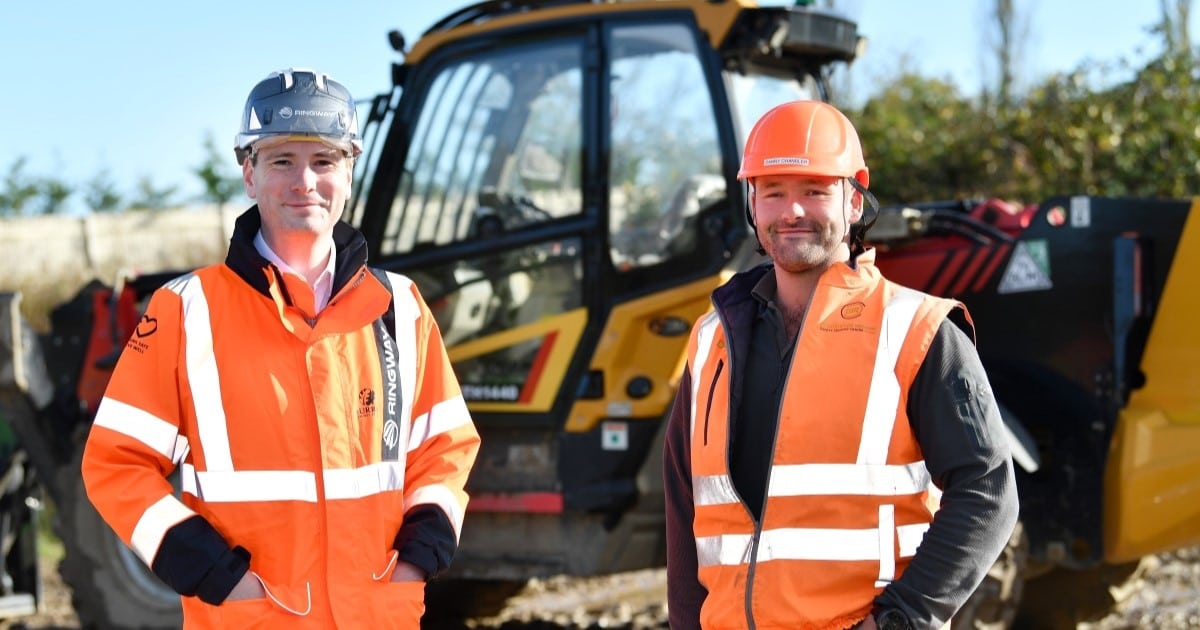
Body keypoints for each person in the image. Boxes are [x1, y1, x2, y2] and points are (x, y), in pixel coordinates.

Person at [81, 68, 481, 628]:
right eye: (281, 161)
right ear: (248, 172)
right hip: (255, 616)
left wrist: (418, 560)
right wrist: (214, 574)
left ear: (348, 172)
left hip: (379, 613)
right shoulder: (185, 309)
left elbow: (445, 447)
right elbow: (115, 463)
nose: (305, 182)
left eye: (324, 162)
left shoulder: (402, 306)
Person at [662, 100, 1018, 630]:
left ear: (855, 198)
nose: (792, 212)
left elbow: (987, 489)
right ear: (752, 202)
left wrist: (900, 620)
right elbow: (686, 504)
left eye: (815, 191)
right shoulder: (711, 339)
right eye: (773, 192)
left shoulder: (917, 330)